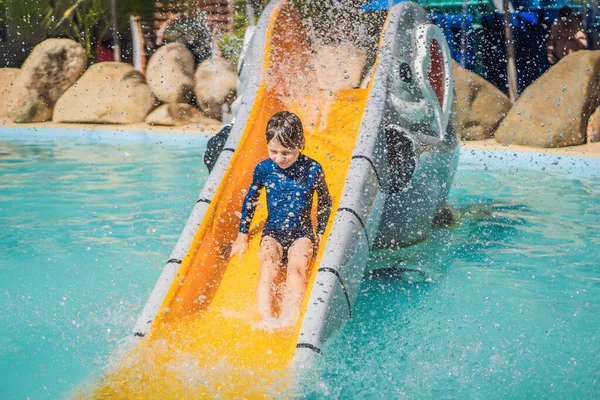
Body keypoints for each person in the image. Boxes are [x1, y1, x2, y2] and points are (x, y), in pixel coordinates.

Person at [229, 111, 332, 329]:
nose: (280, 158)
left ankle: (290, 318)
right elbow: (251, 200)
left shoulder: (312, 169)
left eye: (287, 152)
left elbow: (325, 201)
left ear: (300, 144)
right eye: (273, 151)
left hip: (301, 234)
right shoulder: (264, 169)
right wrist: (242, 235)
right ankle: (266, 319)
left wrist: (321, 231)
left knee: (296, 270)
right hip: (273, 233)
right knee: (268, 265)